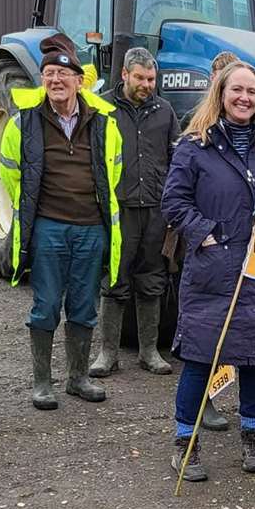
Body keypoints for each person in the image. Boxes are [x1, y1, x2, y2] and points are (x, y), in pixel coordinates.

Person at [162, 62, 255, 481]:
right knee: (200, 359)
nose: (244, 98)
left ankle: (253, 437)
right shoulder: (194, 145)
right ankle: (185, 443)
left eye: (251, 92)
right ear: (221, 94)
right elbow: (173, 202)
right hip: (213, 270)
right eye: (236, 90)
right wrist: (204, 233)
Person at [0, 33, 123, 410]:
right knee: (47, 303)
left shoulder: (104, 123)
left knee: (84, 305)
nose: (55, 81)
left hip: (90, 228)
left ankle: (78, 378)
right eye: (48, 74)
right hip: (49, 227)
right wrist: (37, 207)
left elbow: (113, 171)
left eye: (62, 75)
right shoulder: (25, 123)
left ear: (79, 80)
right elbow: (10, 172)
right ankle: (41, 383)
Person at [91, 47, 180, 379]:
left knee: (152, 280)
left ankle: (149, 351)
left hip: (156, 209)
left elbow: (176, 160)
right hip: (118, 208)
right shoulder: (102, 108)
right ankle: (107, 353)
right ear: (125, 75)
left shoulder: (165, 111)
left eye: (152, 79)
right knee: (114, 279)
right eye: (140, 78)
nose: (147, 84)